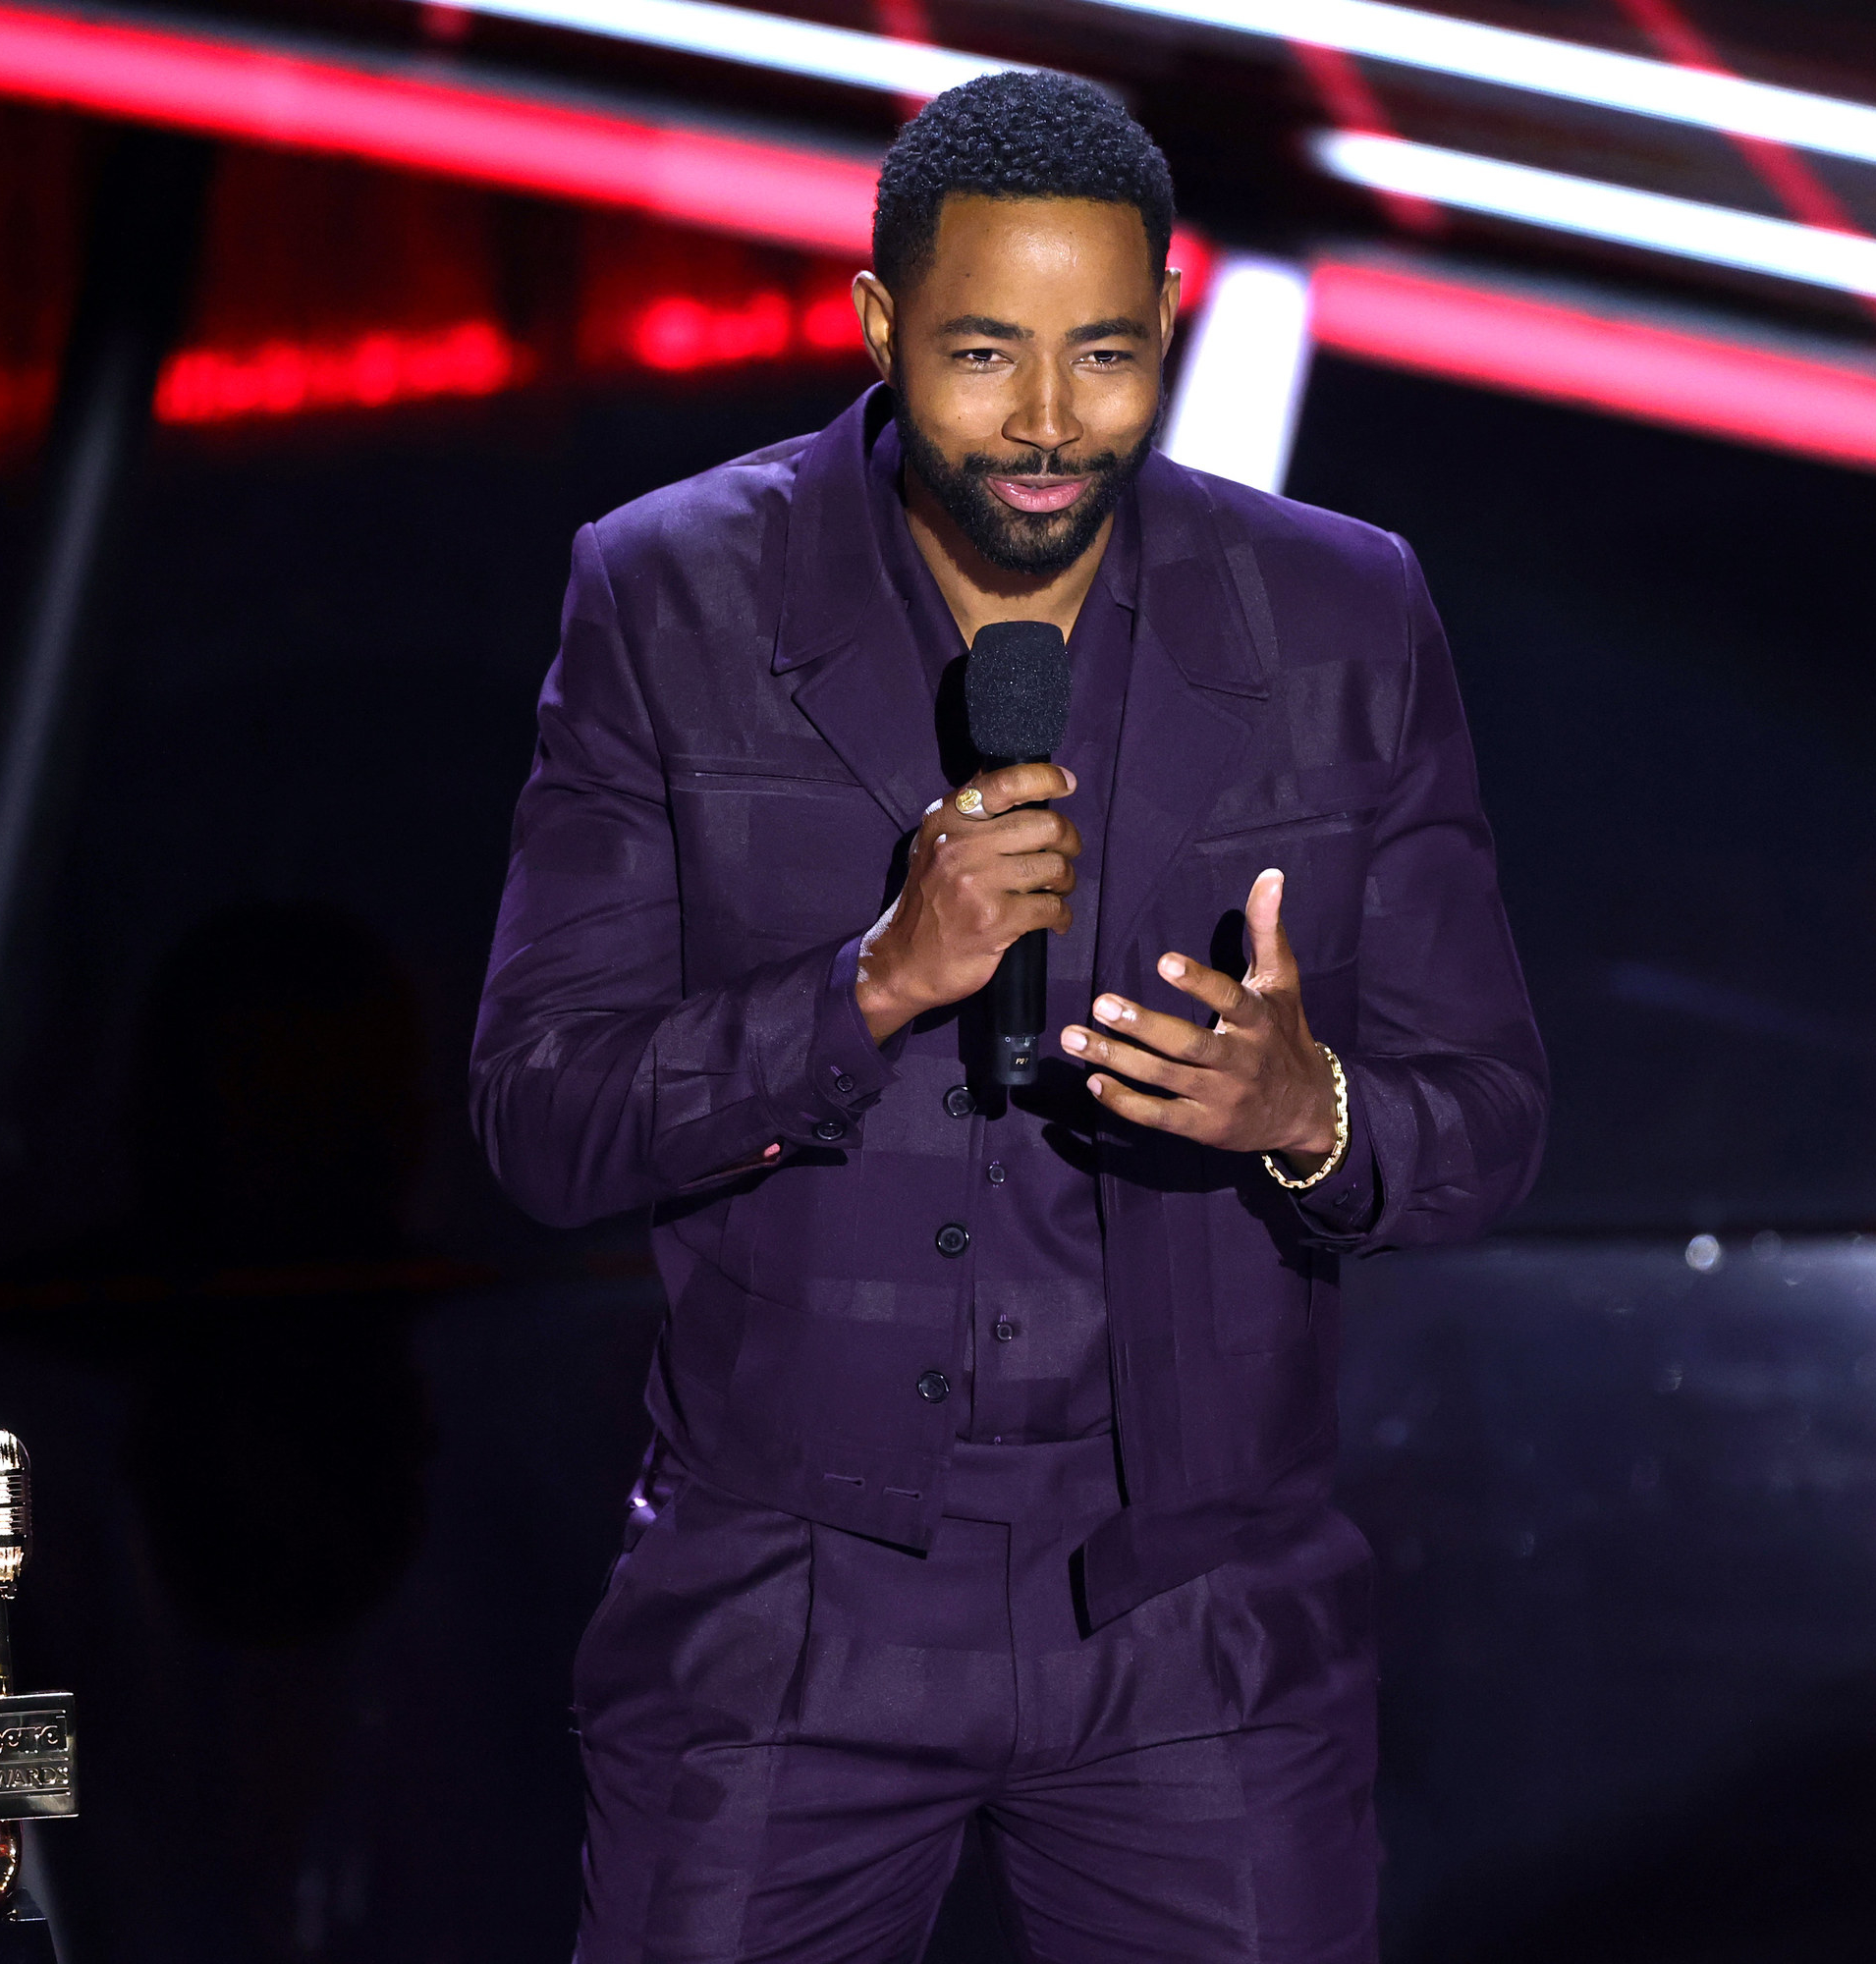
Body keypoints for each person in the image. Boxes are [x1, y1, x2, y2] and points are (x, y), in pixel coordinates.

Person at [471, 70, 1546, 1964]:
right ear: (882, 325)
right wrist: (868, 987)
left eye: (1106, 358)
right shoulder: (669, 598)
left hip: (1198, 1612)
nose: (1049, 427)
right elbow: (541, 1115)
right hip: (784, 1601)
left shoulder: (1340, 614)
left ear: (1167, 328)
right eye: (984, 355)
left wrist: (1313, 1113)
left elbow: (1489, 1116)